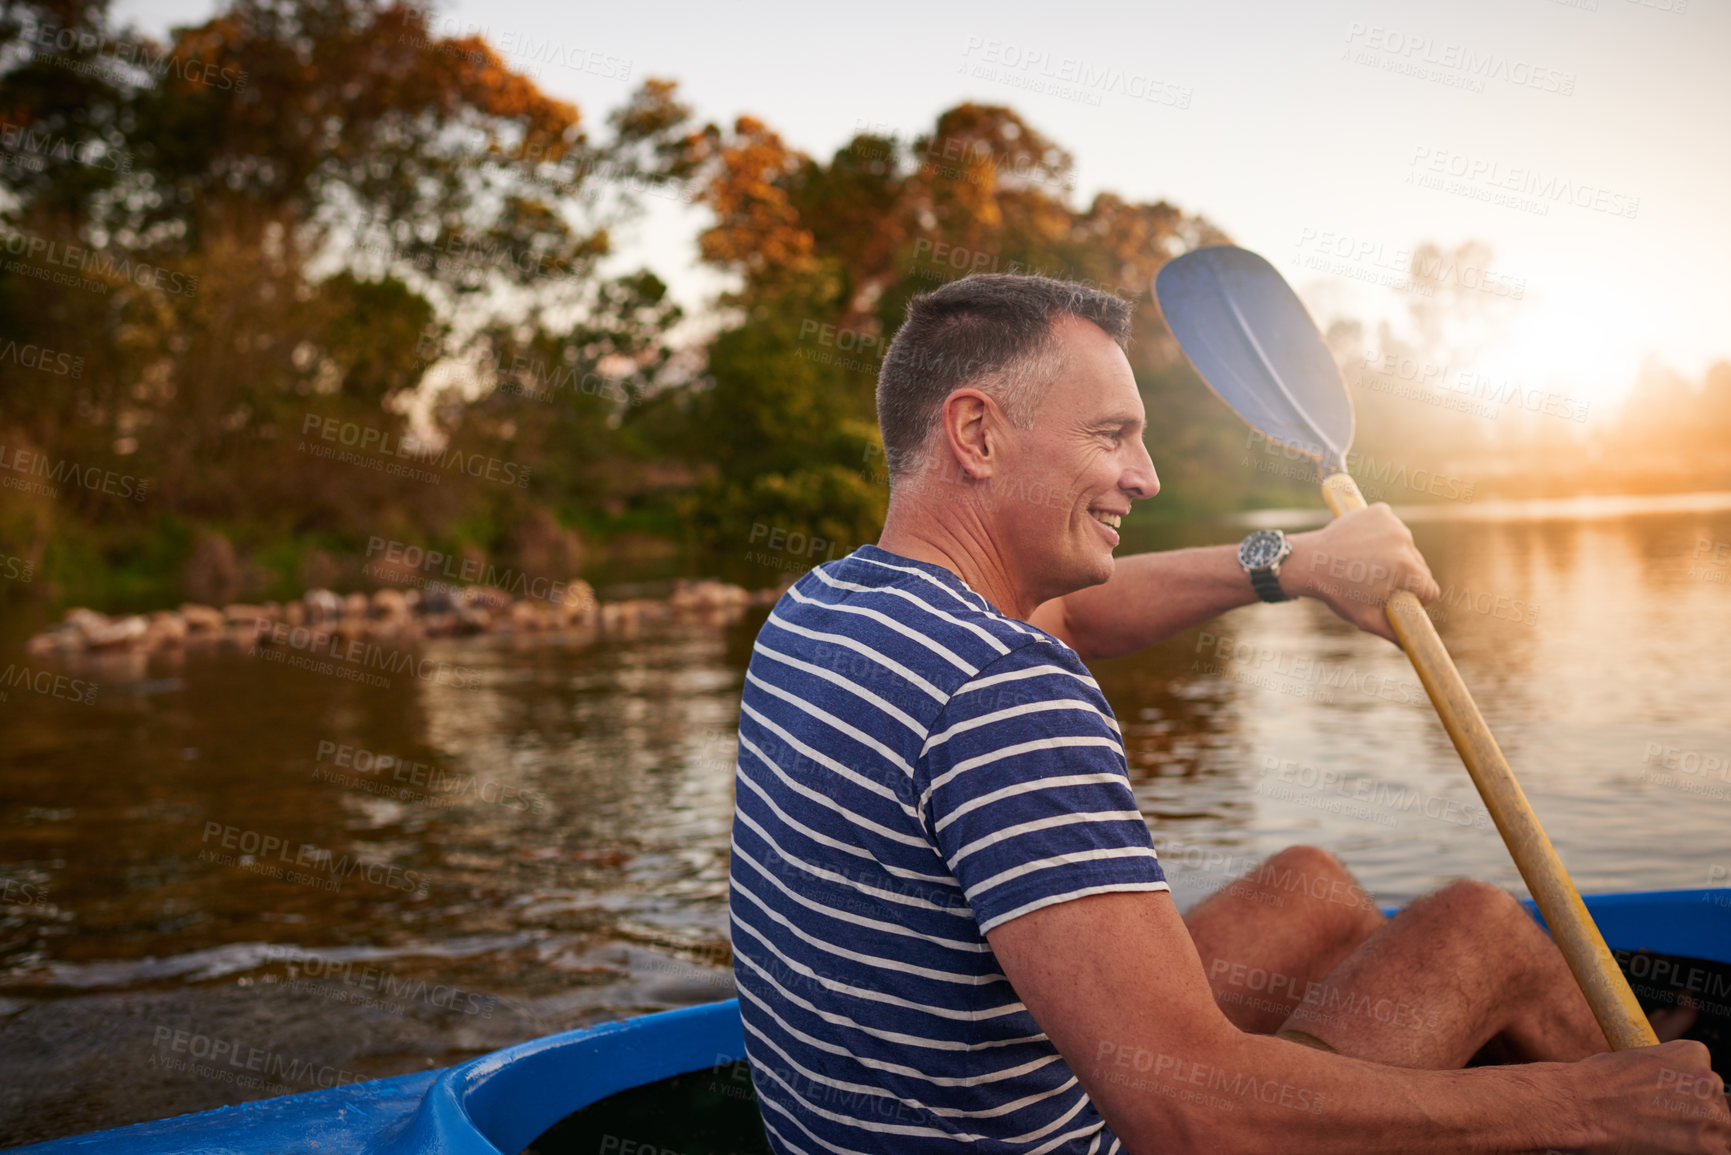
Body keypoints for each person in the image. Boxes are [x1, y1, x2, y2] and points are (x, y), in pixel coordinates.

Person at [726, 272, 1729, 1154]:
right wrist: (1586, 1104)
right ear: (977, 433)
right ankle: (1653, 1101)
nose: (1147, 477)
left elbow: (1074, 609)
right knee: (1479, 932)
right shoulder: (1003, 689)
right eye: (1112, 435)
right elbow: (1189, 1124)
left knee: (1315, 889)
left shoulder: (826, 607)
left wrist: (1292, 561)